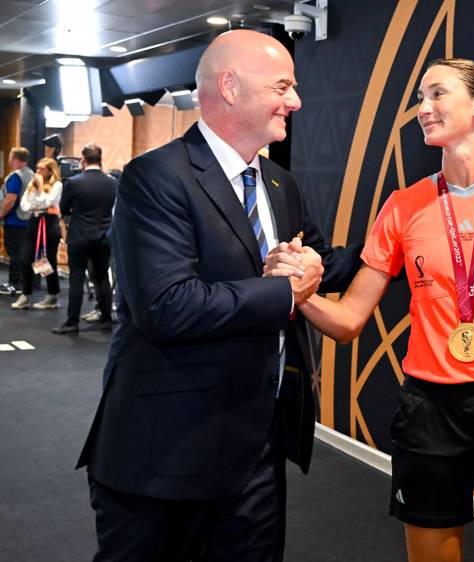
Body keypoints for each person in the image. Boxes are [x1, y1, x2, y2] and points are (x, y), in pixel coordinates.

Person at [266, 58, 474, 562]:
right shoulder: (403, 205)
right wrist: (296, 293)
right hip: (428, 414)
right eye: (420, 97)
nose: (424, 108)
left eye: (437, 94)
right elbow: (349, 321)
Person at [75, 29, 361, 561]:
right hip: (164, 457)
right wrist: (283, 292)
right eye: (283, 86)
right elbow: (167, 307)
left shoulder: (279, 183)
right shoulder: (155, 177)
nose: (295, 101)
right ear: (230, 86)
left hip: (256, 452)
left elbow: (320, 264)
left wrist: (396, 240)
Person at [52, 144, 117, 334]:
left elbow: (63, 208)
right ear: (100, 158)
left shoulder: (74, 182)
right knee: (102, 278)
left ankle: (72, 323)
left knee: (76, 279)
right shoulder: (112, 182)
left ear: (83, 160)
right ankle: (106, 319)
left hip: (79, 237)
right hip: (103, 237)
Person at [11, 157, 62, 310]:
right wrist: (38, 202)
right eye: (37, 168)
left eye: (42, 169)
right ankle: (25, 295)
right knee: (26, 259)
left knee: (47, 260)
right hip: (34, 222)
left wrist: (40, 190)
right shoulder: (31, 184)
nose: (38, 171)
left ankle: (52, 295)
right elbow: (24, 205)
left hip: (49, 224)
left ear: (50, 171)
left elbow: (49, 203)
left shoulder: (57, 185)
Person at [0, 147, 32, 296]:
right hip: (28, 220)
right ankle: (22, 283)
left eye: (10, 156)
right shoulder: (32, 174)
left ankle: (14, 284)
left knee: (15, 253)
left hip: (15, 221)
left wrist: (0, 214)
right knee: (22, 252)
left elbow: (10, 200)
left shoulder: (16, 176)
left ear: (14, 159)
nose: (8, 159)